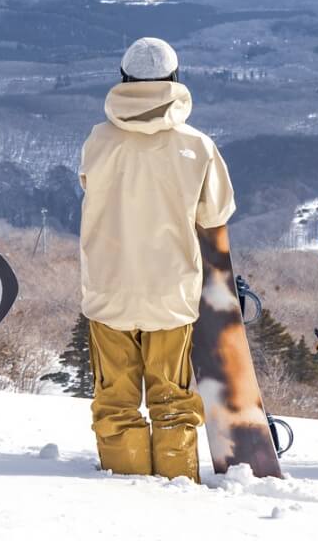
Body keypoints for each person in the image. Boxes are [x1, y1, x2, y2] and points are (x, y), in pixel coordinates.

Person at [78, 37, 236, 480]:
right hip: (171, 291)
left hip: (109, 286)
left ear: (124, 79)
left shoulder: (99, 140)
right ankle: (175, 484)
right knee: (173, 400)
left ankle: (126, 483)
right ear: (174, 80)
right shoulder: (197, 146)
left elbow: (90, 188)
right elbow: (216, 214)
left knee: (115, 400)